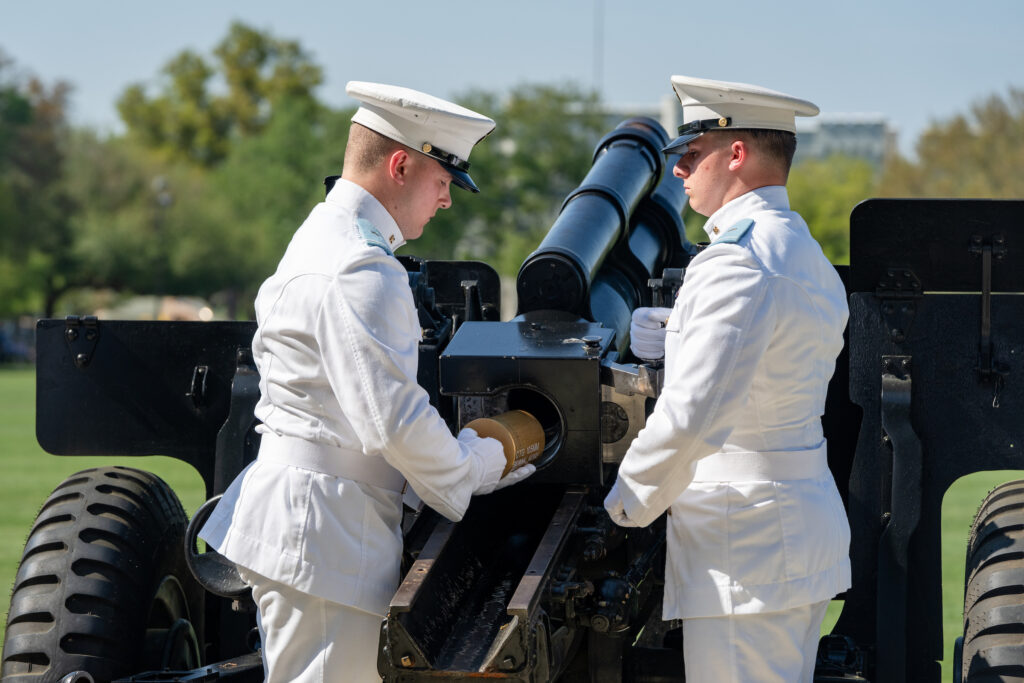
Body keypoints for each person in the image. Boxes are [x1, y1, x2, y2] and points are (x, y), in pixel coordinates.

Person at [199, 81, 534, 682]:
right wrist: (477, 463)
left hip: (315, 521)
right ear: (400, 166)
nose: (446, 201)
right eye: (444, 180)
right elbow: (393, 421)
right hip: (325, 530)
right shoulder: (362, 265)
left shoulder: (324, 236)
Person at [605, 75, 851, 682]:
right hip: (787, 529)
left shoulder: (736, 260)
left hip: (747, 545)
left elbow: (694, 417)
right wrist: (679, 330)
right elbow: (769, 368)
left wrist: (623, 504)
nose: (680, 171)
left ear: (736, 153)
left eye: (692, 154)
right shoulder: (800, 250)